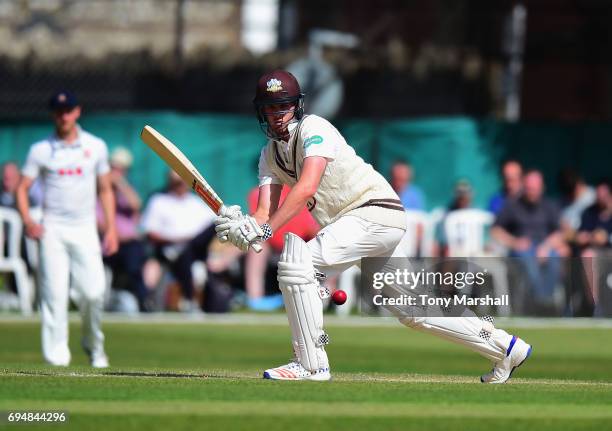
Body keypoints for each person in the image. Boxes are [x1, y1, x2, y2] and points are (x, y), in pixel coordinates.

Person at [214, 70, 532, 383]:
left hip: (374, 211)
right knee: (415, 311)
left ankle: (310, 363)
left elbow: (307, 187)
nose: (277, 115)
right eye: (270, 108)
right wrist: (242, 229)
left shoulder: (315, 128)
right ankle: (505, 347)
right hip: (361, 225)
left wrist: (265, 230)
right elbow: (262, 214)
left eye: (283, 106)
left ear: (296, 105)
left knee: (298, 263)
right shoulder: (269, 156)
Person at [16, 90, 118, 368]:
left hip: (85, 227)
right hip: (53, 228)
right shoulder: (41, 150)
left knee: (93, 292)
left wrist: (111, 229)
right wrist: (28, 220)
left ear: (77, 112)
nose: (64, 116)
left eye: (68, 110)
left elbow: (106, 189)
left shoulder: (95, 146)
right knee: (54, 294)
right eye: (59, 111)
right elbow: (22, 189)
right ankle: (56, 357)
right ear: (53, 114)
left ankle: (94, 346)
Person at [141, 170, 217, 312]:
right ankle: (189, 300)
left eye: (183, 182)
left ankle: (196, 301)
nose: (180, 186)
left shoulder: (196, 203)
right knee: (185, 253)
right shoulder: (159, 201)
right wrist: (178, 239)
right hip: (170, 250)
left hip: (196, 249)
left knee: (214, 225)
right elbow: (150, 232)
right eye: (177, 182)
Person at [491, 170, 569, 307]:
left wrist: (547, 246)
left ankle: (546, 299)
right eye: (528, 188)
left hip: (545, 247)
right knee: (528, 259)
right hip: (521, 249)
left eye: (534, 189)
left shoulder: (549, 206)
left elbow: (563, 232)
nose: (531, 192)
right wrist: (514, 242)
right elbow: (496, 230)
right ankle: (541, 301)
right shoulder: (512, 205)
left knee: (555, 258)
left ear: (542, 188)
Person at [96, 147, 149, 311]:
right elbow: (97, 223)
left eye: (121, 169)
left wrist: (120, 183)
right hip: (107, 244)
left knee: (135, 256)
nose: (117, 172)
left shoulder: (124, 192)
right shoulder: (97, 193)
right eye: (114, 168)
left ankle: (142, 301)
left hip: (129, 245)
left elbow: (136, 205)